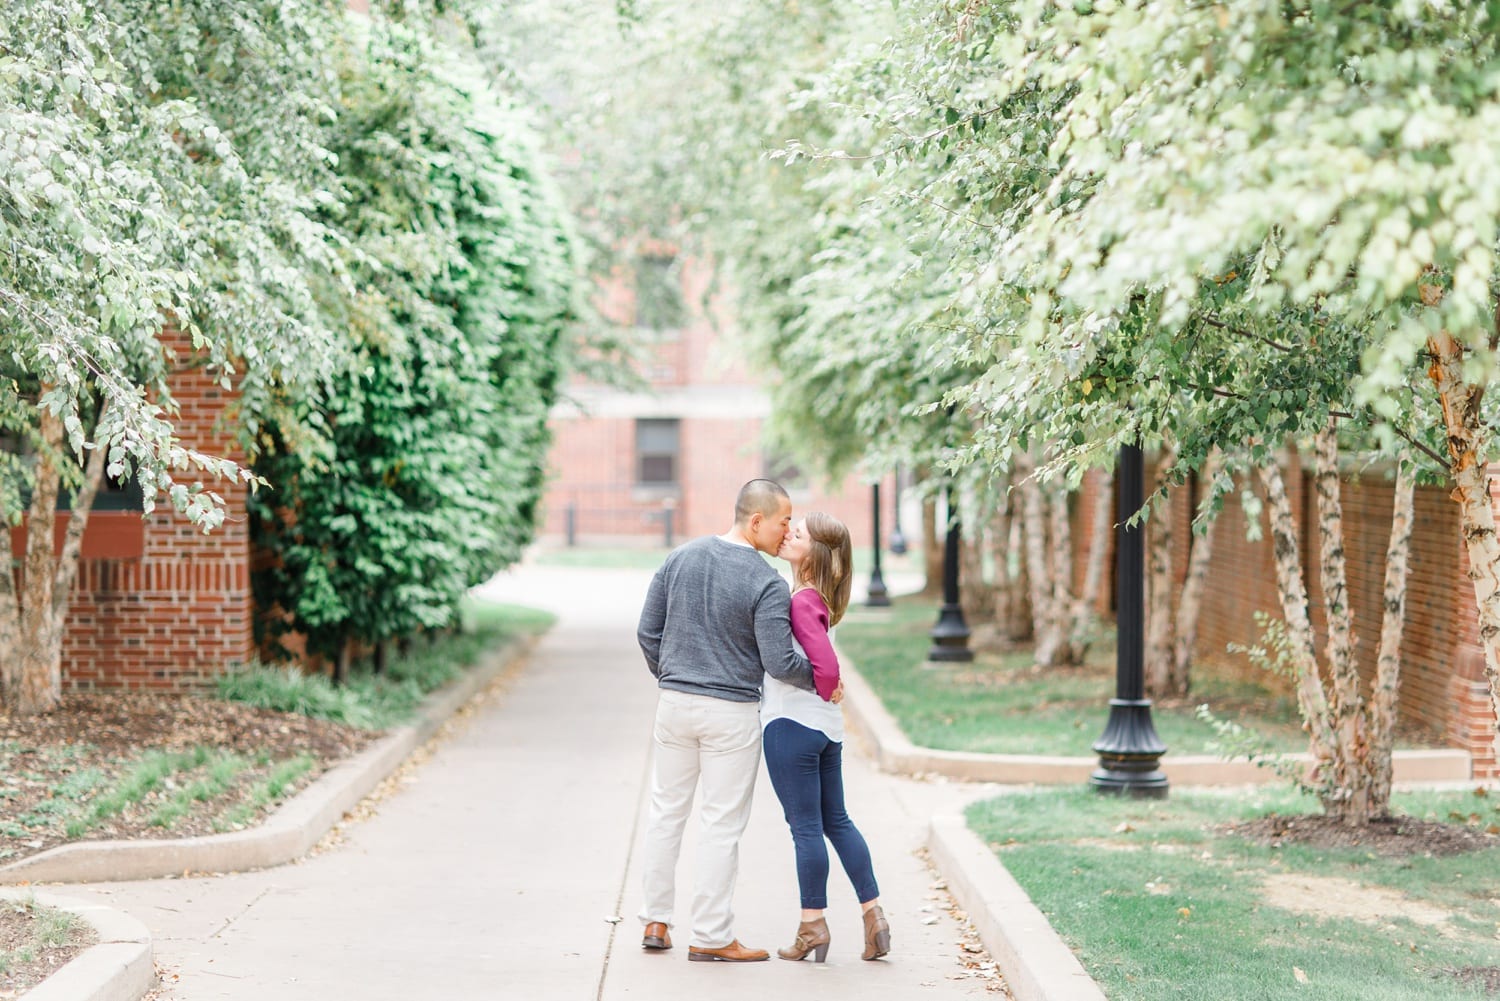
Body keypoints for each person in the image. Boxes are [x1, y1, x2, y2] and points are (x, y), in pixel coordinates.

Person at [636, 478, 817, 963]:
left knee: (665, 812)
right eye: (783, 522)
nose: (786, 533)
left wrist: (673, 675)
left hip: (674, 703)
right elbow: (780, 662)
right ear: (756, 521)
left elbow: (647, 630)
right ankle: (712, 936)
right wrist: (822, 677)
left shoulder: (681, 557)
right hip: (731, 713)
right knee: (720, 824)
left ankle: (655, 919)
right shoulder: (766, 582)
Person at [761, 511, 889, 962]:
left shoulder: (800, 601)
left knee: (807, 829)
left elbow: (827, 668)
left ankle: (811, 924)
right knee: (837, 821)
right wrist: (827, 689)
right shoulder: (819, 597)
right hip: (824, 731)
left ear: (813, 552)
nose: (787, 536)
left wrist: (827, 683)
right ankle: (874, 917)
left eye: (796, 534)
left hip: (791, 726)